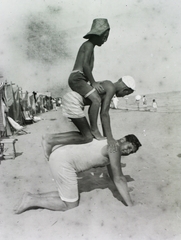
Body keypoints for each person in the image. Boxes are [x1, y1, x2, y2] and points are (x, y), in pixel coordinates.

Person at [14, 134, 142, 214]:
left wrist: (123, 190)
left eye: (130, 152)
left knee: (66, 195)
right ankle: (32, 200)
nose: (127, 152)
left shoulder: (109, 141)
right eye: (129, 147)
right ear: (123, 139)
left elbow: (114, 175)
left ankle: (31, 196)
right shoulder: (114, 148)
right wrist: (131, 205)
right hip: (63, 162)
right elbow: (119, 178)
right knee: (70, 205)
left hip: (60, 155)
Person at [42, 76, 136, 158]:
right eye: (126, 94)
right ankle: (51, 141)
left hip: (72, 98)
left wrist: (106, 137)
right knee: (87, 137)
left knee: (86, 134)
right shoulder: (111, 88)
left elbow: (100, 112)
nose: (124, 96)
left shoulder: (107, 84)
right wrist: (110, 138)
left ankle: (50, 137)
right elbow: (104, 114)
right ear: (125, 90)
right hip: (74, 101)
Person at [68, 18, 110, 140]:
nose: (105, 40)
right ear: (98, 34)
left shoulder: (89, 45)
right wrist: (93, 82)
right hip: (77, 78)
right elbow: (85, 65)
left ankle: (91, 129)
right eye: (104, 36)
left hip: (80, 78)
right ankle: (94, 130)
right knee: (96, 99)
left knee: (95, 99)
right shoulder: (89, 45)